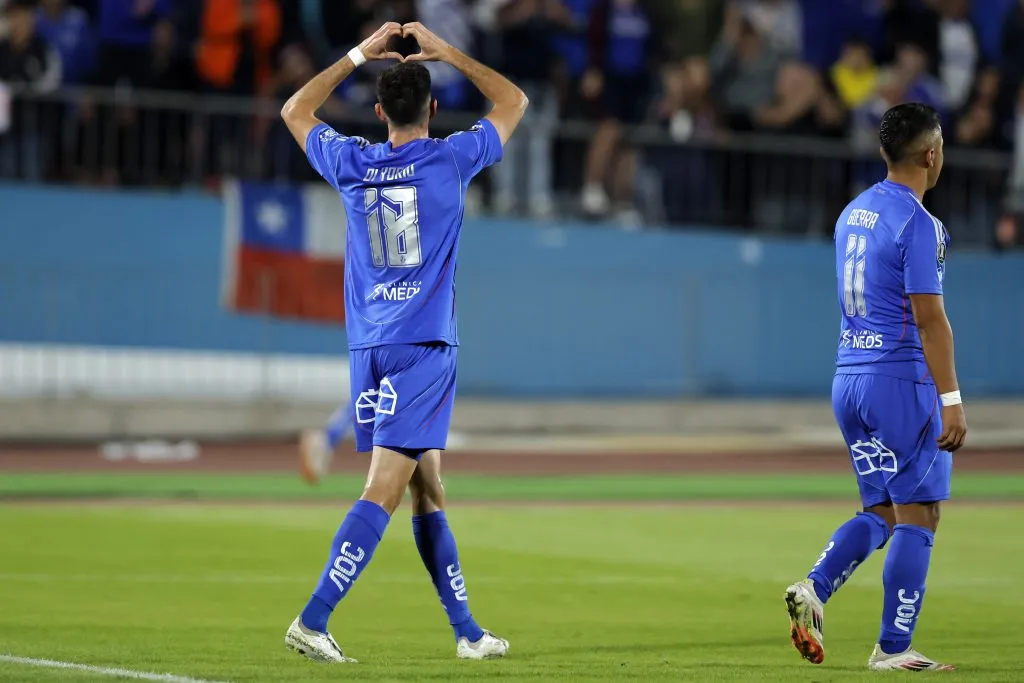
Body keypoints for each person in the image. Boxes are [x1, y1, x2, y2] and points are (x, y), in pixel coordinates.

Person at [279, 21, 528, 662]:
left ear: (379, 109)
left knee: (427, 486)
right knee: (384, 489)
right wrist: (447, 51)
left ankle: (468, 633)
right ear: (435, 108)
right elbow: (513, 102)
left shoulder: (353, 163)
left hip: (369, 346)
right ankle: (312, 618)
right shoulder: (451, 158)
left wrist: (359, 51)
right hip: (423, 345)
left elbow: (294, 109)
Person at [784, 103, 967, 671]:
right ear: (931, 155)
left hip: (850, 379)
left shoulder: (852, 213)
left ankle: (814, 589)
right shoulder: (920, 224)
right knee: (921, 516)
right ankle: (893, 648)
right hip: (899, 380)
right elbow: (930, 319)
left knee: (884, 511)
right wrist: (951, 399)